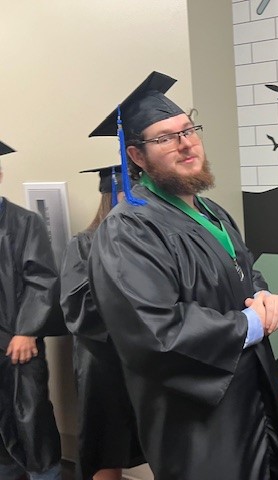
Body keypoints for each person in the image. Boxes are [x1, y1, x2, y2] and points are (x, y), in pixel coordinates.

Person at [86, 71, 278, 480]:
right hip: (197, 419)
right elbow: (154, 331)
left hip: (251, 395)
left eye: (188, 130)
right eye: (165, 137)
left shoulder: (214, 212)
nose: (185, 143)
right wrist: (250, 324)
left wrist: (264, 297)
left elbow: (243, 272)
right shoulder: (129, 229)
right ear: (137, 156)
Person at [60, 165, 144, 480]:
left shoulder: (149, 242)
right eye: (127, 194)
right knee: (106, 442)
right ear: (111, 196)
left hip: (145, 358)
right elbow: (77, 305)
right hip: (102, 360)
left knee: (155, 436)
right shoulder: (83, 244)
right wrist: (136, 314)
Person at [0, 141, 67, 480]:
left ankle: (46, 474)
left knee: (31, 418)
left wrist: (27, 330)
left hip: (17, 344)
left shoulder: (25, 222)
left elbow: (41, 278)